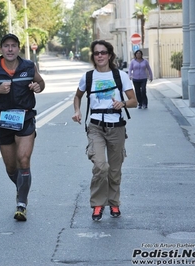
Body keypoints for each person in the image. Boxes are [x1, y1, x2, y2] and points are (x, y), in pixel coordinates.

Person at [0, 33, 45, 221]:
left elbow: (40, 82)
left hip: (25, 118)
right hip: (4, 121)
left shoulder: (28, 66)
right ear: (1, 49)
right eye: (6, 46)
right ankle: (21, 187)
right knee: (11, 167)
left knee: (23, 160)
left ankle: (21, 203)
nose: (10, 49)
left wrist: (37, 87)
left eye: (13, 46)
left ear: (18, 48)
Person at [72, 40, 137, 221]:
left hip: (116, 127)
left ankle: (114, 203)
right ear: (93, 56)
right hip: (95, 127)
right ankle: (98, 204)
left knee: (115, 169)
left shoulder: (120, 76)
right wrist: (77, 111)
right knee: (101, 166)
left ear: (109, 55)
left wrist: (122, 103)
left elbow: (134, 101)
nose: (99, 55)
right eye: (96, 53)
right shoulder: (88, 77)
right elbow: (77, 96)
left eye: (103, 52)